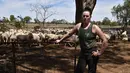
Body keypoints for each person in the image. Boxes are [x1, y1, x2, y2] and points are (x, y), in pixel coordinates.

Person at [56, 8, 108, 73]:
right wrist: (60, 40)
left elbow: (105, 41)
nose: (85, 17)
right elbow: (69, 34)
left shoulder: (94, 27)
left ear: (90, 17)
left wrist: (99, 53)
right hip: (83, 53)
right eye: (84, 16)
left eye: (87, 16)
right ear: (82, 17)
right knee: (78, 71)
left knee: (91, 71)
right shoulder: (78, 26)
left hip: (92, 53)